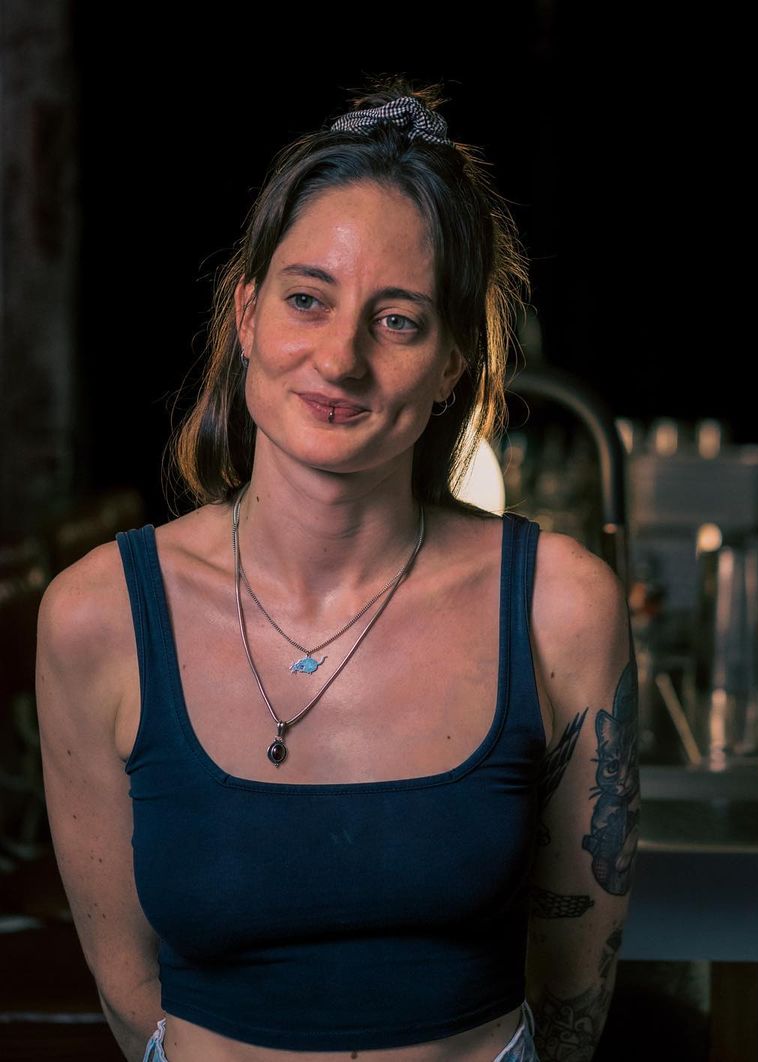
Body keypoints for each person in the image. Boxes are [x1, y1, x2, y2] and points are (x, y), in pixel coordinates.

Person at [35, 76, 639, 1062]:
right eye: (307, 300)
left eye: (398, 320)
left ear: (452, 365)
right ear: (246, 315)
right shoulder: (96, 616)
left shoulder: (561, 606)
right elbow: (125, 980)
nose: (340, 358)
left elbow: (576, 980)